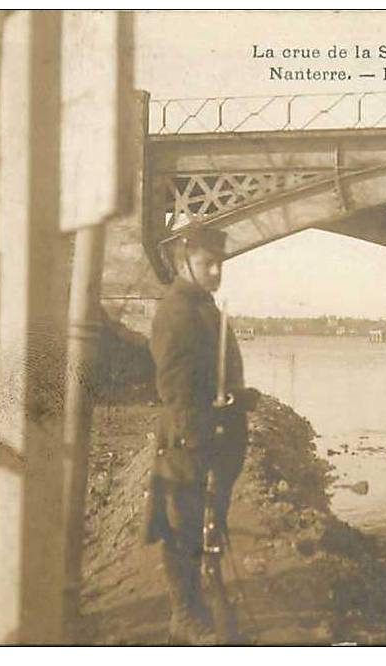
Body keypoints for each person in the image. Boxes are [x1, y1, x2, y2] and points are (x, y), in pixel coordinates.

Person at [143, 226, 260, 644]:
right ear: (183, 264)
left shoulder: (204, 307)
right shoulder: (176, 311)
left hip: (213, 436)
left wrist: (240, 398)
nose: (216, 270)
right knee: (184, 530)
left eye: (220, 263)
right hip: (189, 440)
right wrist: (201, 441)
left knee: (207, 528)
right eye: (207, 263)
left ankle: (200, 606)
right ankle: (184, 617)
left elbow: (213, 377)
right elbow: (175, 388)